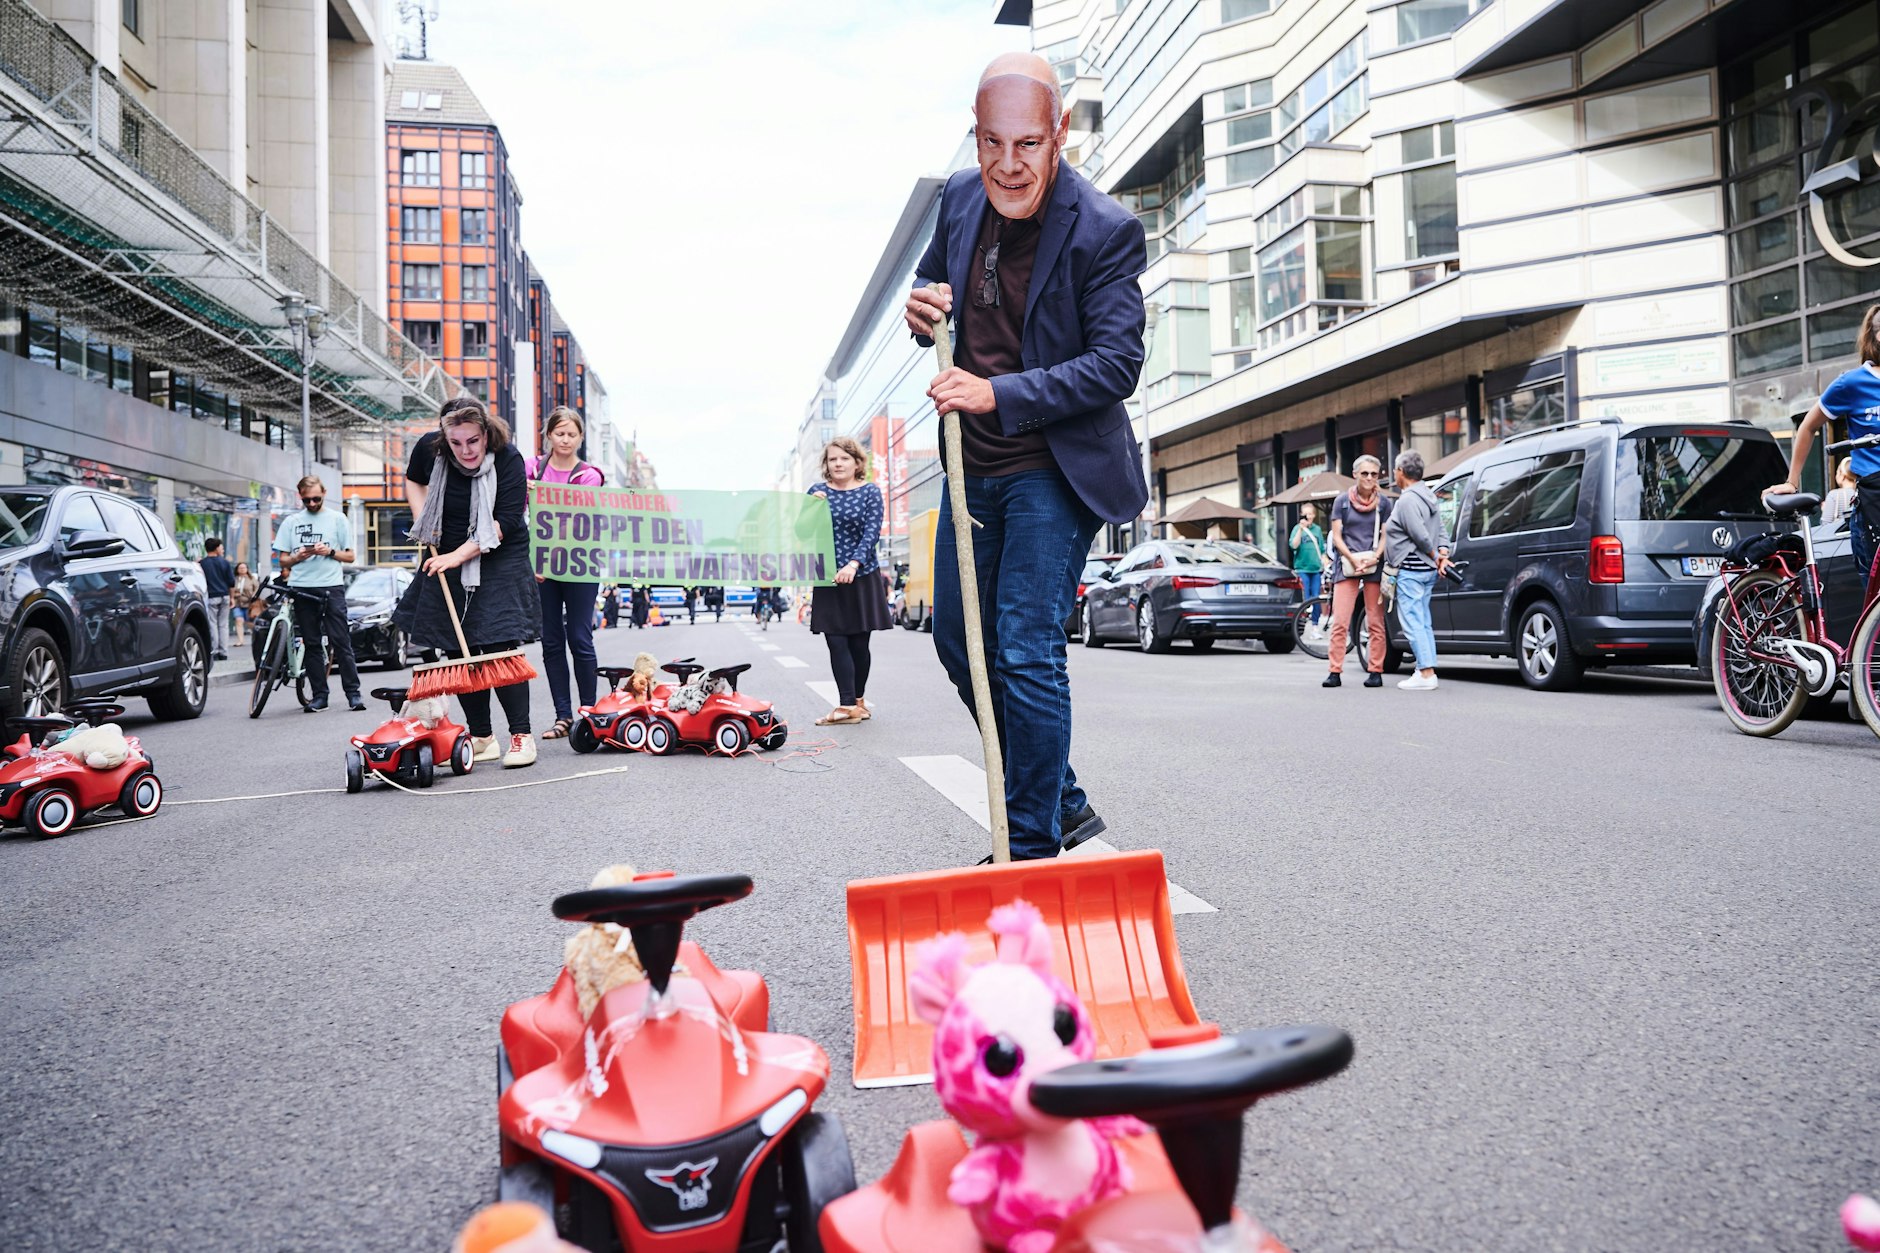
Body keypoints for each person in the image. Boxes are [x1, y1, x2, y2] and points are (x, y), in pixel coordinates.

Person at [905, 53, 1148, 861]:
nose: (1009, 166)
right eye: (992, 144)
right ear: (974, 139)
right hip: (972, 468)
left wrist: (999, 395)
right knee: (954, 640)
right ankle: (1063, 797)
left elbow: (1117, 365)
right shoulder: (960, 199)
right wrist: (920, 306)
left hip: (1055, 464)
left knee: (1022, 645)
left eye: (1029, 146)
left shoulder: (1106, 231)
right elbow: (935, 293)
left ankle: (1033, 844)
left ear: (1061, 136)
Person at [396, 396, 539, 767]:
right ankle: (482, 737)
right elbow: (413, 481)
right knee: (460, 649)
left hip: (499, 554)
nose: (465, 450)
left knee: (500, 642)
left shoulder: (508, 457)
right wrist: (423, 525)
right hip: (446, 550)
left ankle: (521, 736)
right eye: (456, 443)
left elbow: (505, 521)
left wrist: (456, 555)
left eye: (472, 441)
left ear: (485, 433)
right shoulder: (431, 449)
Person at [1770, 304, 1880, 582]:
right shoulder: (1853, 383)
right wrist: (1792, 481)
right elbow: (1808, 426)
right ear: (1876, 335)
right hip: (1872, 500)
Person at [531, 407, 605, 741]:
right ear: (548, 435)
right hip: (543, 569)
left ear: (580, 438)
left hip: (580, 564)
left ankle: (588, 712)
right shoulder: (531, 469)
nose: (565, 439)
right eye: (559, 433)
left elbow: (577, 518)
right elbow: (520, 512)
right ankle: (562, 716)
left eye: (571, 434)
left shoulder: (590, 475)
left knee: (579, 636)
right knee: (550, 640)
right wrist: (536, 561)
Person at [808, 437, 890, 725]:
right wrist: (810, 510)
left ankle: (858, 702)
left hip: (862, 575)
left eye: (844, 458)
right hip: (827, 576)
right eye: (832, 459)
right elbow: (802, 531)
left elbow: (871, 532)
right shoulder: (817, 492)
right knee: (835, 640)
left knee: (859, 642)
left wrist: (853, 564)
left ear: (857, 463)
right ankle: (845, 706)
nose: (838, 463)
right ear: (826, 465)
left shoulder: (870, 492)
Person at [273, 475, 365, 711]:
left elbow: (350, 556)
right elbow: (282, 559)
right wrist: (297, 557)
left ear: (324, 493)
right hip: (302, 587)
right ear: (300, 497)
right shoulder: (291, 522)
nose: (312, 504)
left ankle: (353, 694)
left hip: (331, 587)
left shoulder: (337, 519)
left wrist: (330, 552)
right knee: (311, 643)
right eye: (307, 500)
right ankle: (319, 696)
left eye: (316, 498)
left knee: (341, 641)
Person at [1383, 450, 1453, 691]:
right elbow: (1440, 530)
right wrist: (1442, 555)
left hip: (1411, 569)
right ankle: (1426, 670)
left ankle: (1425, 673)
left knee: (1413, 621)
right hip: (1426, 570)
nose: (1394, 473)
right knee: (1423, 621)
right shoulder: (1428, 495)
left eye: (1395, 469)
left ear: (1401, 472)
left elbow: (1420, 535)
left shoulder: (1407, 500)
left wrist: (1436, 555)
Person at [1324, 455, 1393, 689]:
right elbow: (1336, 535)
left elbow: (1386, 535)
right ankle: (1335, 671)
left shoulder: (1384, 503)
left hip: (1373, 564)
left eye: (1374, 474)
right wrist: (1352, 558)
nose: (1370, 478)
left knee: (1375, 620)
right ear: (1355, 475)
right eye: (1365, 473)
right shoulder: (1342, 502)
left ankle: (1375, 670)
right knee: (1341, 620)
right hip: (1347, 563)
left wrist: (1375, 556)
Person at [1289, 502, 1327, 626]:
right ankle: (1302, 622)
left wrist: (1324, 562)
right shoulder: (1297, 529)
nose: (1308, 517)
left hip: (1315, 569)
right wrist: (1300, 529)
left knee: (1316, 597)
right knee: (1305, 597)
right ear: (1301, 515)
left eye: (1310, 514)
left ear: (1314, 515)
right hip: (1302, 568)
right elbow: (1294, 545)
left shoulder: (1317, 529)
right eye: (1305, 514)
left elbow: (1321, 549)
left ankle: (1315, 624)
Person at [200, 536, 234, 661]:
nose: (222, 549)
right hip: (224, 595)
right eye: (221, 547)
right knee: (223, 625)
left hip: (210, 597)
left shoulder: (202, 564)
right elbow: (231, 582)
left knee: (212, 624)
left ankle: (214, 651)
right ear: (216, 548)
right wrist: (232, 597)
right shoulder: (224, 562)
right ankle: (224, 652)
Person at [230, 560, 259, 648]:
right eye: (240, 568)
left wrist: (254, 597)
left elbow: (257, 588)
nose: (242, 569)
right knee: (239, 620)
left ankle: (256, 638)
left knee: (250, 622)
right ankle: (240, 640)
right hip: (237, 602)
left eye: (244, 568)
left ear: (247, 569)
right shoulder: (234, 579)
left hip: (249, 603)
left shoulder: (251, 579)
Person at [1824, 457, 1859, 525]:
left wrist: (1824, 509)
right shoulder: (1861, 493)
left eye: (1837, 472)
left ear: (1842, 475)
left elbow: (1825, 524)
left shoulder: (1834, 495)